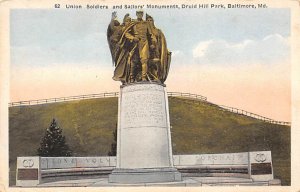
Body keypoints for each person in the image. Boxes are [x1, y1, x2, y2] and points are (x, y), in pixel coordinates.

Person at [146, 14, 171, 83]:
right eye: (147, 20)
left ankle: (156, 77)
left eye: (151, 20)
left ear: (153, 21)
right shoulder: (144, 31)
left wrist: (164, 50)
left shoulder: (158, 31)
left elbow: (162, 42)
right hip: (147, 51)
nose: (149, 22)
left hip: (157, 51)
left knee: (157, 63)